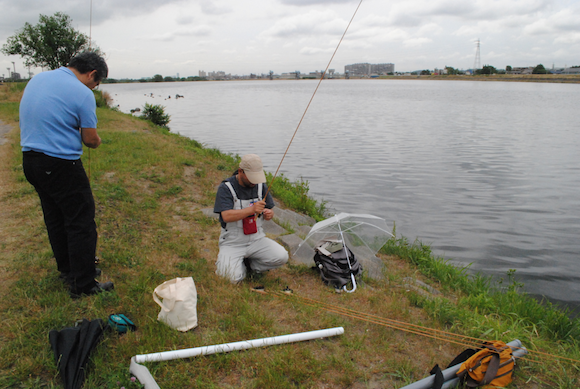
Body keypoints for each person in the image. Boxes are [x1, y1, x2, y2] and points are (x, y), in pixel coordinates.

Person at [19, 51, 114, 298]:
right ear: (92, 74)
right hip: (60, 165)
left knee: (55, 218)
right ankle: (83, 285)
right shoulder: (82, 93)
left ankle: (69, 271)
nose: (95, 88)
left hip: (30, 161)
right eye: (97, 84)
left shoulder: (39, 79)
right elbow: (90, 139)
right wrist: (98, 141)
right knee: (80, 222)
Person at [214, 154, 288, 283]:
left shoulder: (261, 186)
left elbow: (269, 210)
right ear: (241, 171)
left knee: (282, 256)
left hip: (256, 239)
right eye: (251, 178)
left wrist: (268, 214)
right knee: (230, 278)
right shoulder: (226, 188)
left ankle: (252, 265)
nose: (254, 182)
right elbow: (226, 216)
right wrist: (251, 210)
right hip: (232, 243)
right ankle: (237, 267)